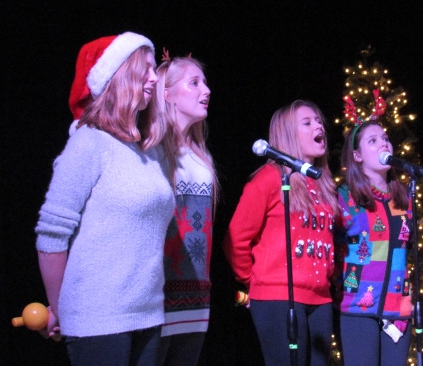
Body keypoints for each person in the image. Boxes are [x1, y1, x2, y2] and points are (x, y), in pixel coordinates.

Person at [35, 32, 176, 366]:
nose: (155, 78)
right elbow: (51, 234)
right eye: (146, 68)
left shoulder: (148, 152)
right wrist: (59, 309)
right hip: (97, 319)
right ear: (120, 75)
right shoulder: (88, 143)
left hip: (148, 314)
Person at [224, 100, 340, 366]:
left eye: (319, 121)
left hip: (320, 298)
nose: (318, 125)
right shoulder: (270, 178)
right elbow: (236, 236)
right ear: (288, 133)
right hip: (277, 297)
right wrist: (252, 281)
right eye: (307, 122)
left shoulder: (324, 185)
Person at [155, 51, 218, 366]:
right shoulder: (151, 151)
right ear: (167, 94)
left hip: (195, 297)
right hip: (156, 297)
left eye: (205, 83)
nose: (206, 91)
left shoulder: (201, 158)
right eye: (194, 83)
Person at [335, 118, 413, 366]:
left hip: (397, 308)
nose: (384, 143)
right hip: (358, 308)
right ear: (357, 155)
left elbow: (407, 249)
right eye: (373, 140)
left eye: (386, 138)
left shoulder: (404, 198)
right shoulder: (346, 197)